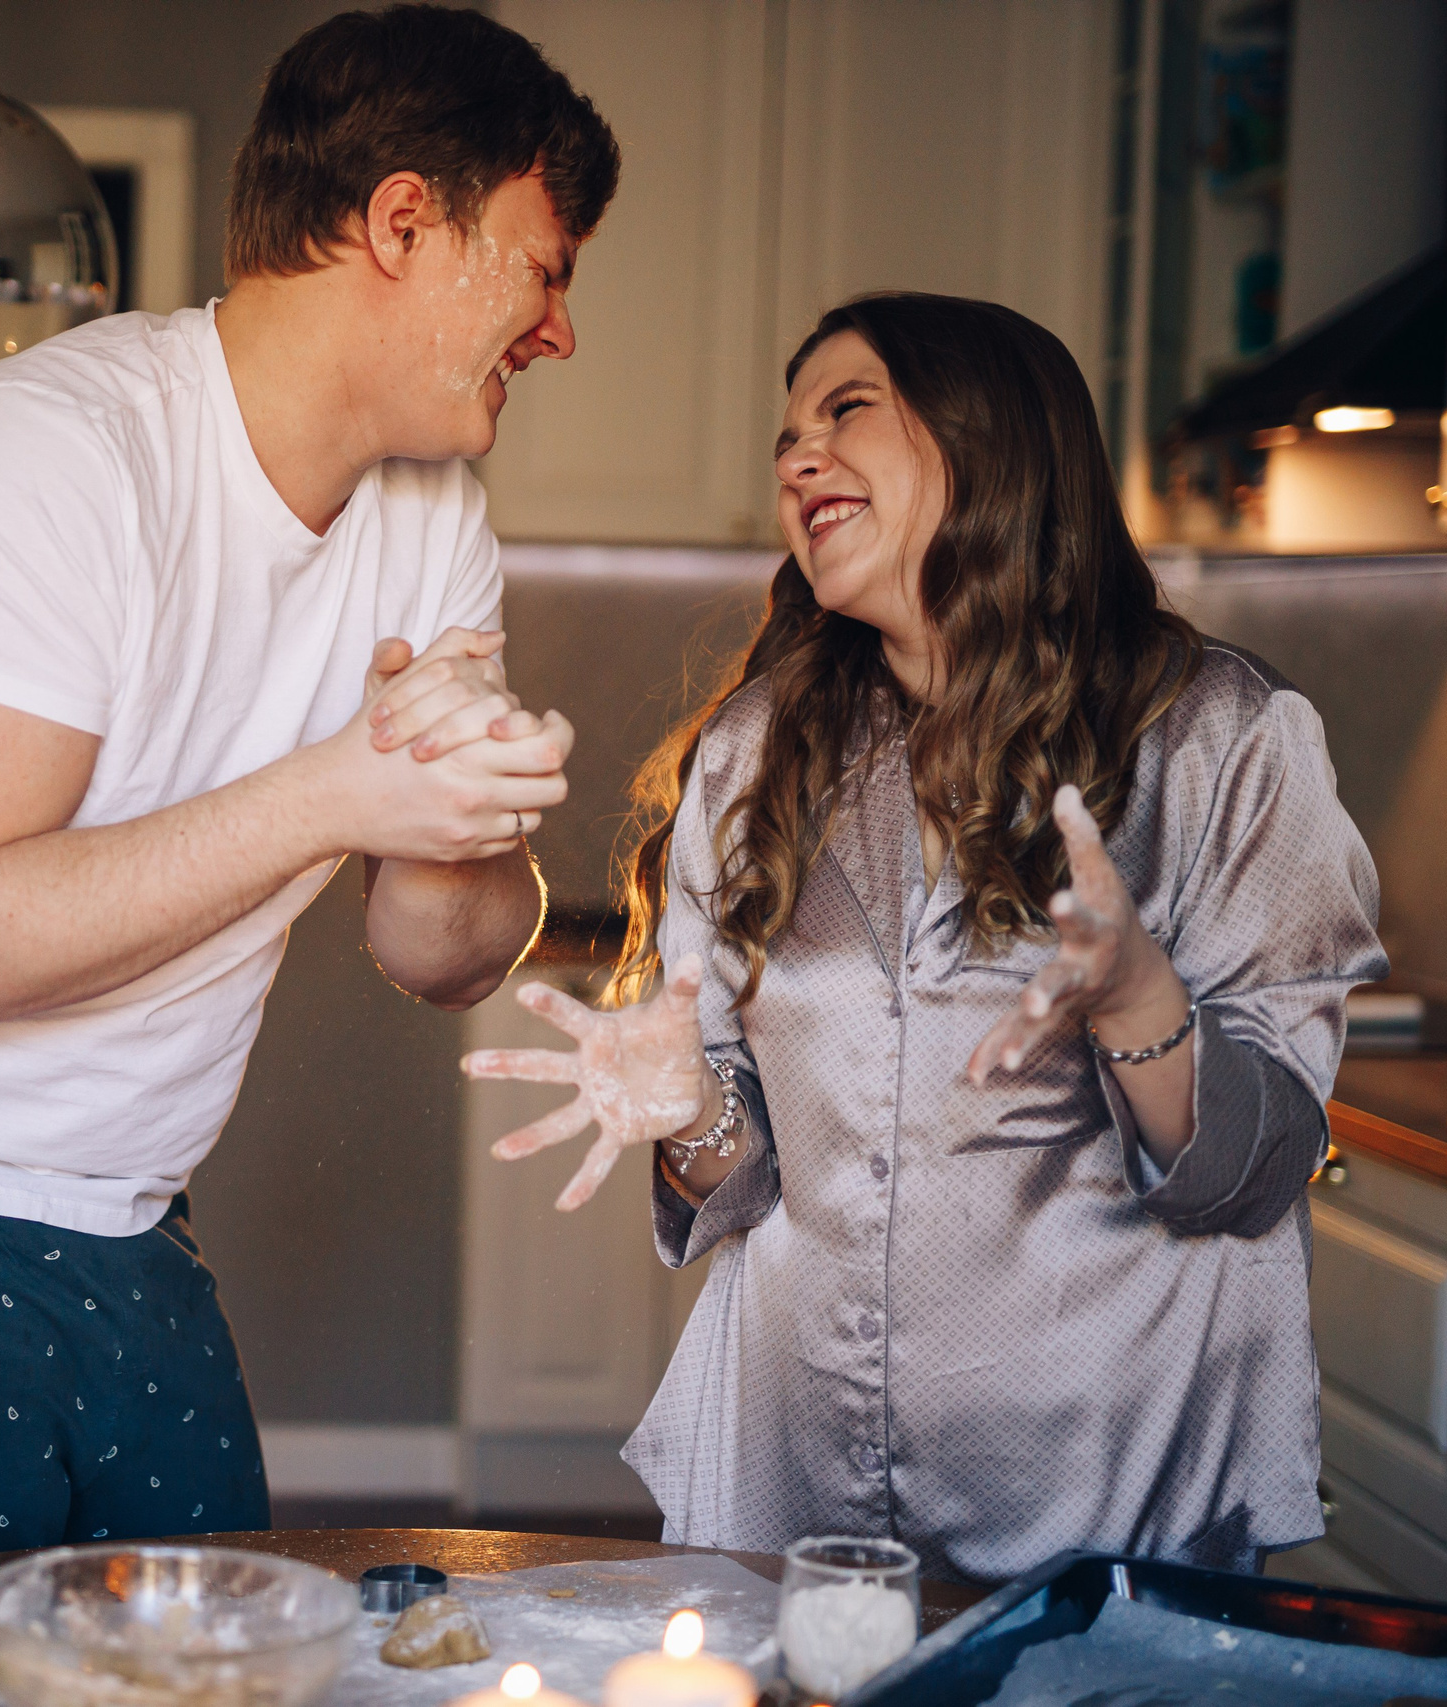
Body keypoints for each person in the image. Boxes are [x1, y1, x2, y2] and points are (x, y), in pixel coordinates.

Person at [0, 4, 619, 1552]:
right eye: (544, 265)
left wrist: (477, 812)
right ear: (404, 222)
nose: (560, 330)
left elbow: (435, 954)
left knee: (214, 1658)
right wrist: (338, 791)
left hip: (132, 1223)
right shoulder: (43, 461)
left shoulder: (432, 517)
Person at [464, 292, 1387, 1583]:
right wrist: (689, 1111)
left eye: (847, 411)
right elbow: (738, 1175)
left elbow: (1258, 1164)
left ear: (995, 440)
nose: (796, 457)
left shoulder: (1219, 738)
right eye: (787, 432)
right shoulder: (753, 752)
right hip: (802, 1499)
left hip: (1109, 1510)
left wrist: (1135, 1003)